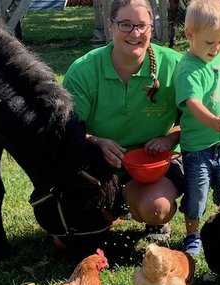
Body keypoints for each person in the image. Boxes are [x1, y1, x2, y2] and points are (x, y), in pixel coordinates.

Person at [63, 0, 184, 242]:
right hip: (100, 165)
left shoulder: (175, 66)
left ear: (152, 27)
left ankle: (147, 216)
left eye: (142, 25)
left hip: (154, 165)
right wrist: (95, 141)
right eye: (126, 25)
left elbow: (193, 122)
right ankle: (114, 204)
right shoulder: (84, 71)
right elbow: (65, 132)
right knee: (66, 237)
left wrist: (169, 138)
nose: (135, 34)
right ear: (111, 26)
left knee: (156, 208)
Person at [174, 0, 220, 256]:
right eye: (210, 42)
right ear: (190, 35)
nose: (216, 49)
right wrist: (212, 121)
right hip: (198, 147)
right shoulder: (188, 69)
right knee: (196, 194)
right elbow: (192, 103)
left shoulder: (217, 60)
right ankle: (192, 235)